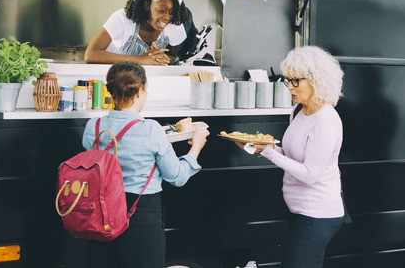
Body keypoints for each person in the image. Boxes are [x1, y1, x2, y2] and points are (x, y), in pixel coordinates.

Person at [82, 61, 209, 268]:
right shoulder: (151, 129)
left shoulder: (93, 127)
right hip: (140, 215)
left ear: (111, 92)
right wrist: (196, 147)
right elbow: (176, 177)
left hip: (100, 214)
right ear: (140, 90)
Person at [232, 46, 345, 267]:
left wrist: (268, 152)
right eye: (287, 80)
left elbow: (310, 174)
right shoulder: (298, 111)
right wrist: (261, 147)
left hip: (318, 214)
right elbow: (293, 157)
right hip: (301, 210)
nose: (290, 87)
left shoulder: (326, 120)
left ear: (316, 81)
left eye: (296, 81)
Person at [85, 0, 189, 65]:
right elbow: (90, 55)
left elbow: (172, 55)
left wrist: (161, 58)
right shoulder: (122, 19)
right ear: (147, 6)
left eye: (171, 12)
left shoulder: (173, 24)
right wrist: (141, 60)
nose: (167, 17)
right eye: (162, 11)